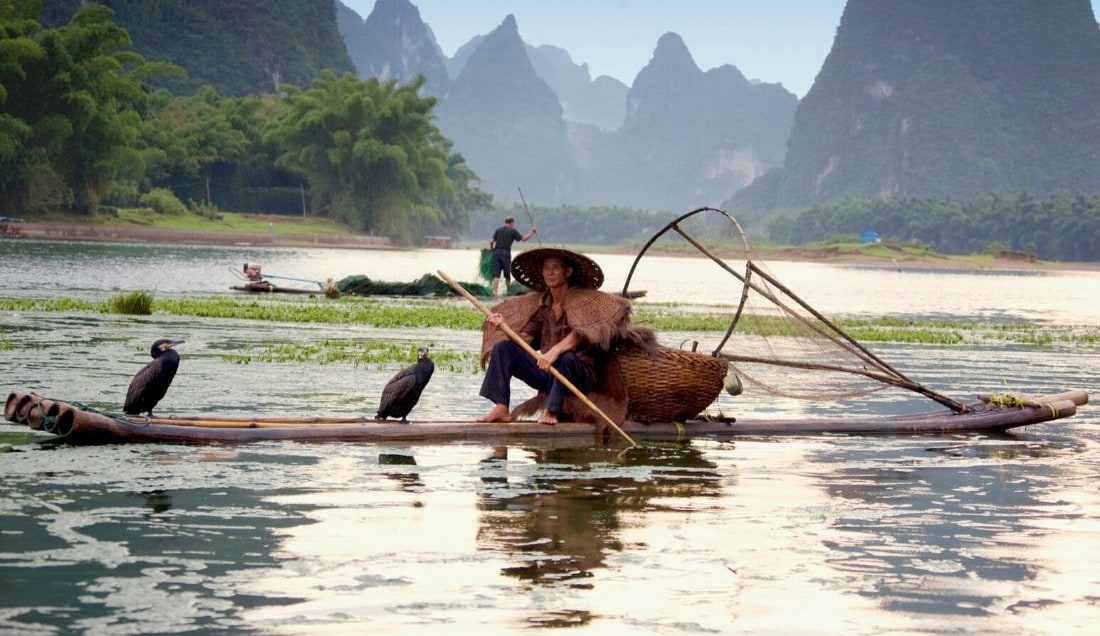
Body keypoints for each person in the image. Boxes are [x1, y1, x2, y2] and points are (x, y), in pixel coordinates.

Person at [477, 247, 626, 426]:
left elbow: (581, 333)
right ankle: (501, 407)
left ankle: (551, 410)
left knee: (565, 358)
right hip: (550, 373)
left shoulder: (581, 303)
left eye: (555, 268)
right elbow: (524, 340)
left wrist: (555, 351)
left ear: (568, 272)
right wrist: (504, 327)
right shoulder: (544, 306)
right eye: (546, 268)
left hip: (578, 375)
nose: (550, 272)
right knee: (503, 348)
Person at [489, 217, 536, 296]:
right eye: (513, 224)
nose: (513, 225)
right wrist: (532, 232)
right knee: (507, 274)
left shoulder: (498, 230)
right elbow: (524, 239)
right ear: (511, 223)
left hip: (496, 253)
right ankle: (508, 292)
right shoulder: (512, 231)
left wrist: (491, 249)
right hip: (505, 254)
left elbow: (491, 241)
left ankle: (495, 292)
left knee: (496, 274)